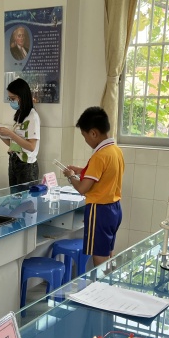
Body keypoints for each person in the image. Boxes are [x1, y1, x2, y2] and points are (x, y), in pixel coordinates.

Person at [63, 107, 124, 267]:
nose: (85, 140)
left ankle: (100, 283)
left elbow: (83, 188)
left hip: (99, 210)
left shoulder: (99, 156)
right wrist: (81, 170)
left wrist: (71, 176)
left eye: (84, 136)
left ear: (93, 133)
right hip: (115, 209)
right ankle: (109, 280)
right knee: (107, 252)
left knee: (99, 256)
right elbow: (105, 175)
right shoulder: (115, 151)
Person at [0, 78, 41, 186]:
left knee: (25, 197)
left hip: (27, 166)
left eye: (13, 98)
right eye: (10, 98)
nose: (11, 101)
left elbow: (31, 146)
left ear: (22, 96)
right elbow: (13, 144)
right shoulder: (20, 115)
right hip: (14, 161)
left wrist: (10, 133)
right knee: (14, 196)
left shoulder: (32, 117)